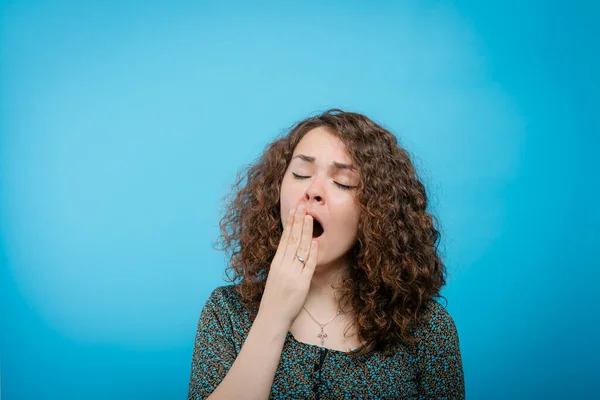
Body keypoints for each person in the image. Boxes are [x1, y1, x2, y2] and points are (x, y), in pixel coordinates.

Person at [187, 109, 465, 399]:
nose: (313, 190)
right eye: (301, 173)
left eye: (343, 182)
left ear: (377, 211)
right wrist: (273, 315)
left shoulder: (428, 330)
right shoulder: (226, 312)